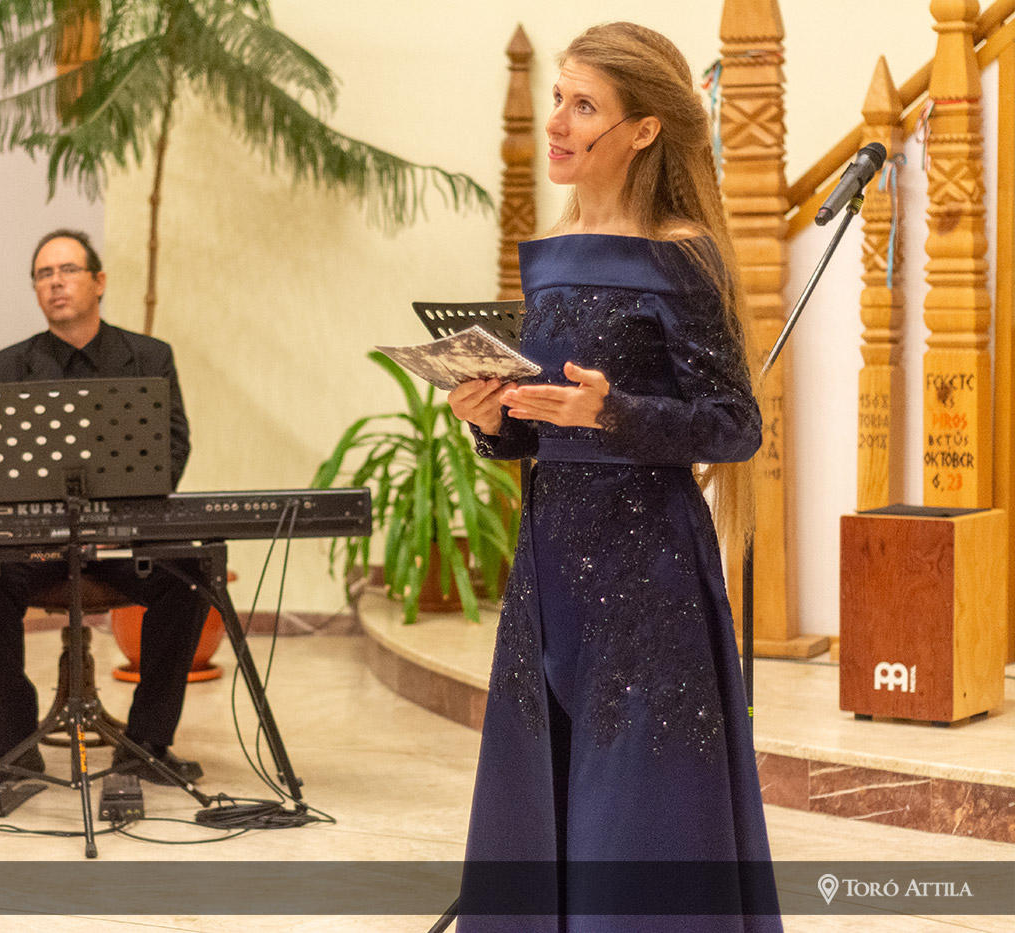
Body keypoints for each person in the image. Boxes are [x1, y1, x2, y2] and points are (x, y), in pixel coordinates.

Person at [448, 23, 782, 931]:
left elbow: (735, 425)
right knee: (542, 792)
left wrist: (613, 412)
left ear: (642, 129)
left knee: (636, 804)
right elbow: (539, 430)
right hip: (549, 570)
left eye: (583, 105)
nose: (557, 121)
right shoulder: (555, 253)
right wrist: (493, 422)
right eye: (558, 97)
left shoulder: (681, 254)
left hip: (647, 577)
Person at [0, 228, 209, 786]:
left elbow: (172, 447)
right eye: (44, 274)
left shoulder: (149, 357)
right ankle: (14, 746)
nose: (56, 283)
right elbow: (0, 465)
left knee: (188, 574)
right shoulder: (7, 366)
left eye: (68, 270)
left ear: (98, 282)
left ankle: (147, 744)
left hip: (121, 542)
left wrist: (116, 522)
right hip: (40, 545)